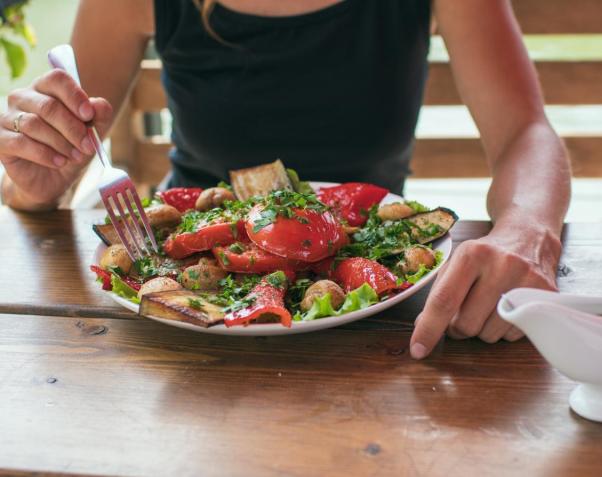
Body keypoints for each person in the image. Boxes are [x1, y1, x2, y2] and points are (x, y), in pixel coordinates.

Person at [0, 0, 570, 358]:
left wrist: (528, 229)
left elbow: (525, 133)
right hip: (179, 338)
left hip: (377, 333)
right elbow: (54, 162)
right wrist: (38, 178)